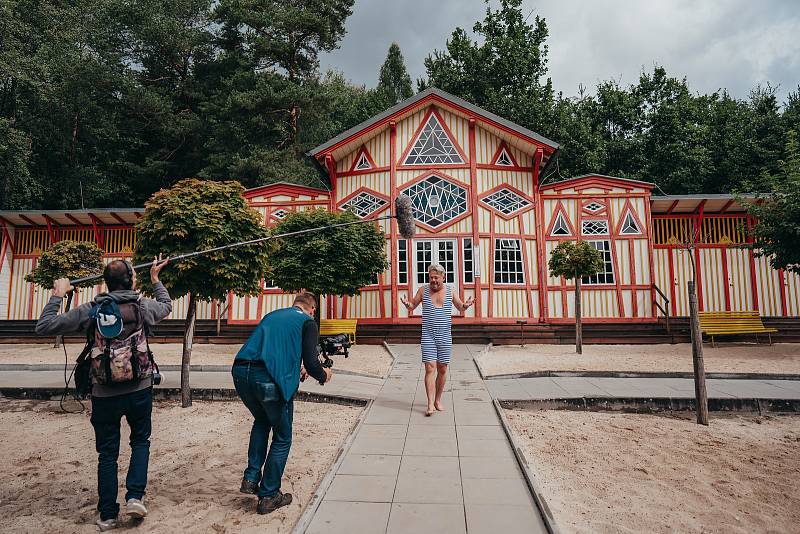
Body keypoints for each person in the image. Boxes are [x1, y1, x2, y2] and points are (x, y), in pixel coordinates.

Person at [35, 256, 171, 532]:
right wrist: (156, 280)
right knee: (140, 441)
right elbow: (167, 306)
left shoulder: (91, 310)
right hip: (139, 388)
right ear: (132, 280)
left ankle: (108, 514)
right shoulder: (142, 306)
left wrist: (57, 295)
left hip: (104, 392)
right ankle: (135, 496)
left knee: (107, 454)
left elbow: (44, 326)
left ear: (106, 283)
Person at [232, 292, 332, 514]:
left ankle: (250, 478)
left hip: (241, 372)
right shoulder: (308, 322)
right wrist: (324, 374)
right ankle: (268, 495)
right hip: (267, 380)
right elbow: (313, 363)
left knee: (261, 420)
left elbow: (276, 350)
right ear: (312, 308)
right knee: (283, 436)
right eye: (314, 311)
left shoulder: (272, 315)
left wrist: (299, 367)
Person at [401, 263, 473, 416]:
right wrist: (408, 304)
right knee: (429, 368)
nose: (433, 280)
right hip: (428, 335)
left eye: (436, 277)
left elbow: (460, 307)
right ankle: (429, 404)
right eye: (431, 277)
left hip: (445, 336)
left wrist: (466, 305)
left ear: (443, 277)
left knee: (443, 369)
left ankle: (437, 400)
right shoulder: (423, 290)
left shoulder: (450, 291)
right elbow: (412, 305)